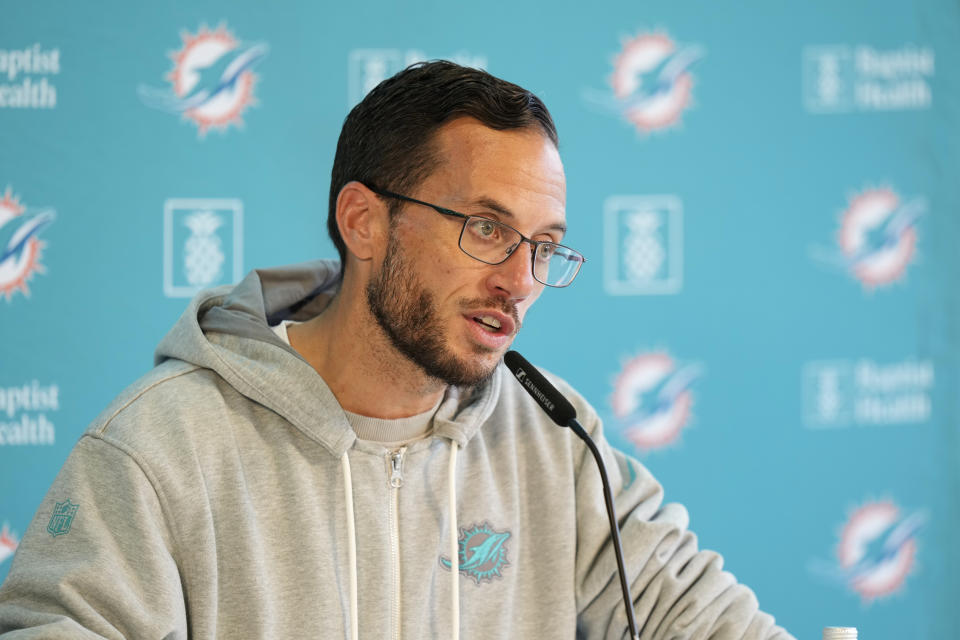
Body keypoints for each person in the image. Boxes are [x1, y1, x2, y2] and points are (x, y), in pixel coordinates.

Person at [0, 61, 794, 639]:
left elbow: (698, 613)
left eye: (543, 246)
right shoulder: (164, 444)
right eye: (486, 229)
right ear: (364, 222)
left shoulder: (554, 435)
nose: (520, 280)